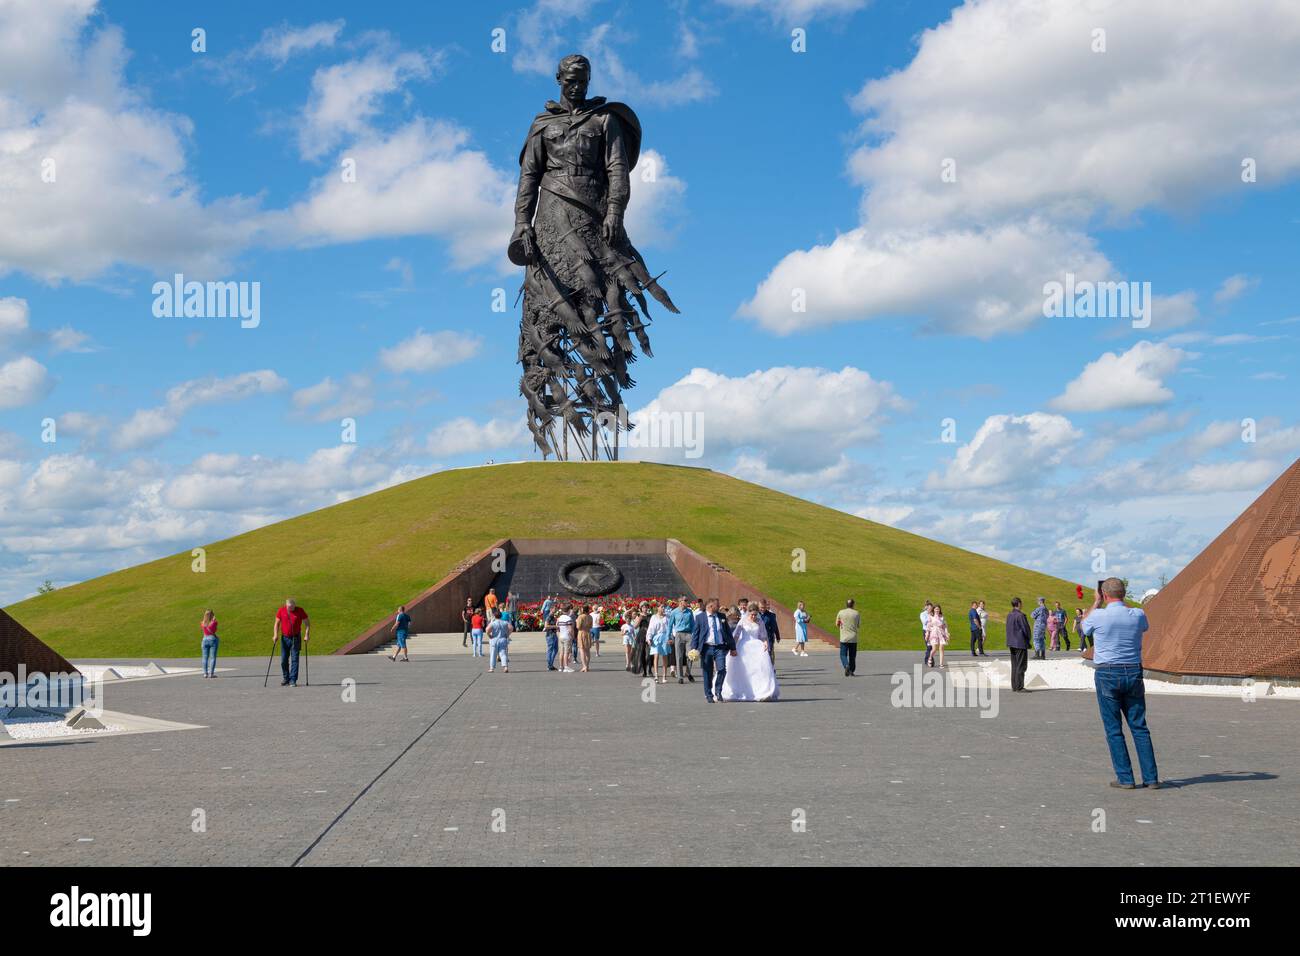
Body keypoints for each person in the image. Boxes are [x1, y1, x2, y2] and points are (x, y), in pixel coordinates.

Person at [1082, 578, 1160, 789]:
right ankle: (1151, 778)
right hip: (1133, 670)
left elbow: (1084, 628)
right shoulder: (1137, 615)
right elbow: (1144, 627)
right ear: (1124, 593)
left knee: (1114, 728)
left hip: (1107, 672)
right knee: (1139, 726)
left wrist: (1096, 603)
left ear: (1104, 594)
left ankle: (1126, 778)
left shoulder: (1098, 615)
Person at [722, 605, 780, 702]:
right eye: (752, 615)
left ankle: (761, 691)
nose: (753, 617)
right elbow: (736, 635)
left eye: (755, 615)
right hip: (743, 646)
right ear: (749, 613)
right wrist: (733, 647)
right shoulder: (743, 621)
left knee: (759, 669)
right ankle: (743, 690)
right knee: (742, 669)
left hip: (756, 645)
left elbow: (763, 635)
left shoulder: (759, 621)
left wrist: (765, 643)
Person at [690, 598, 735, 704]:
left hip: (720, 647)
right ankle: (708, 694)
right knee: (707, 672)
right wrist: (693, 648)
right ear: (710, 606)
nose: (719, 607)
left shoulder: (722, 617)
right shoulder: (700, 617)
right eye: (717, 605)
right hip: (706, 648)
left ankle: (718, 691)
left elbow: (728, 633)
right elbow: (696, 634)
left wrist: (733, 648)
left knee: (722, 669)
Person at [273, 598, 310, 688]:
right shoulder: (281, 610)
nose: (290, 608)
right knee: (283, 660)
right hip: (284, 638)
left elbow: (307, 624)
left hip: (295, 638)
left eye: (292, 607)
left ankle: (293, 680)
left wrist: (306, 635)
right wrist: (275, 635)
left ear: (294, 605)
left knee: (295, 659)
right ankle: (286, 678)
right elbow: (277, 623)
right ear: (286, 605)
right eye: (288, 607)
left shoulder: (300, 611)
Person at [1006, 598, 1031, 692]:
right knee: (1021, 665)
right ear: (1019, 604)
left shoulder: (1009, 615)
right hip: (1020, 642)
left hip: (1011, 642)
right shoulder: (1020, 616)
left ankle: (1015, 686)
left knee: (1014, 665)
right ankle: (1020, 686)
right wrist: (1028, 639)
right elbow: (1026, 629)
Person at [669, 597, 696, 683]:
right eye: (685, 600)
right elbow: (670, 625)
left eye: (686, 600)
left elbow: (693, 624)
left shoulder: (689, 611)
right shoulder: (674, 612)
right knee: (679, 656)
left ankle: (688, 672)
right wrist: (669, 637)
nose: (686, 602)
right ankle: (680, 677)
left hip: (688, 635)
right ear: (680, 602)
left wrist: (693, 635)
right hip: (679, 634)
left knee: (690, 655)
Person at [835, 598, 860, 677]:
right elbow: (858, 625)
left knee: (843, 655)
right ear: (853, 604)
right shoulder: (856, 613)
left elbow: (837, 624)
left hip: (844, 637)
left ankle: (846, 665)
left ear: (846, 604)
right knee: (852, 656)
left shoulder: (841, 612)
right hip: (853, 637)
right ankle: (851, 671)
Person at [647, 603, 671, 683]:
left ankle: (664, 676)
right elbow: (650, 628)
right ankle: (656, 675)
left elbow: (670, 628)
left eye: (664, 607)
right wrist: (649, 638)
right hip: (656, 638)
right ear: (657, 608)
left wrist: (671, 638)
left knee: (665, 656)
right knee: (656, 655)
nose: (663, 608)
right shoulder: (653, 617)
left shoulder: (667, 617)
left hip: (665, 638)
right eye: (662, 607)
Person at [926, 604, 950, 668]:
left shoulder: (942, 617)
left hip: (941, 633)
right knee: (934, 649)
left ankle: (941, 664)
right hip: (934, 633)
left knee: (941, 648)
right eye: (936, 609)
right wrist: (927, 634)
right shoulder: (931, 616)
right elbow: (928, 626)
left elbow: (945, 626)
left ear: (940, 610)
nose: (937, 610)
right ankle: (930, 658)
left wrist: (947, 633)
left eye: (938, 609)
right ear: (934, 609)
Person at [758, 599, 780, 664]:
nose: (763, 609)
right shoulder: (755, 614)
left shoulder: (771, 615)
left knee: (769, 655)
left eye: (764, 607)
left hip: (769, 638)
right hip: (758, 639)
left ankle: (771, 669)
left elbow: (775, 626)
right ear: (758, 607)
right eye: (761, 607)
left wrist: (778, 636)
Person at [556, 604, 576, 673]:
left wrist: (558, 635)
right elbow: (570, 629)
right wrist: (573, 636)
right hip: (567, 636)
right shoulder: (568, 618)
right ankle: (566, 667)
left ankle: (561, 667)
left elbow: (557, 628)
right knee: (566, 653)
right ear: (568, 610)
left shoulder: (559, 618)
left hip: (561, 636)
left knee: (561, 652)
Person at [200, 608, 219, 678]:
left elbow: (206, 630)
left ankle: (205, 673)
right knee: (212, 657)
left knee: (204, 657)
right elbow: (214, 629)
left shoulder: (202, 623)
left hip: (204, 639)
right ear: (212, 615)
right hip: (212, 639)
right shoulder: (214, 622)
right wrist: (214, 620)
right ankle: (211, 673)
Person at [576, 604, 594, 673]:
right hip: (588, 632)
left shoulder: (580, 616)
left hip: (582, 633)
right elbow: (591, 626)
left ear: (583, 610)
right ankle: (587, 665)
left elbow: (578, 627)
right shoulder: (590, 616)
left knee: (582, 650)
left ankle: (584, 666)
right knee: (587, 651)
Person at [920, 601, 934, 667]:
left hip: (933, 632)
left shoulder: (933, 614)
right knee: (929, 647)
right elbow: (924, 622)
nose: (930, 609)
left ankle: (928, 659)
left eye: (931, 608)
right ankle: (929, 660)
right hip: (926, 631)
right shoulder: (922, 614)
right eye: (929, 608)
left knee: (931, 647)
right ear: (926, 608)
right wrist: (930, 617)